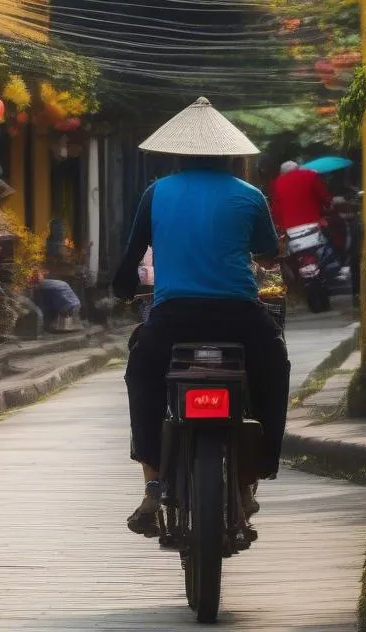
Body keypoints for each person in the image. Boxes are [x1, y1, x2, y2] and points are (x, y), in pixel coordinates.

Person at [113, 97, 290, 537]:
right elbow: (267, 254)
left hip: (174, 317)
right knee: (273, 368)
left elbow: (132, 254)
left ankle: (153, 483)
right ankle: (255, 474)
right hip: (239, 317)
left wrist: (120, 290)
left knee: (142, 376)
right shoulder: (250, 196)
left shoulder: (158, 192)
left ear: (178, 152)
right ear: (230, 153)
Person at [268, 160, 333, 233]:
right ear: (298, 168)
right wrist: (328, 207)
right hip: (314, 224)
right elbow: (324, 197)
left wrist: (282, 227)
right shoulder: (311, 174)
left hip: (291, 230)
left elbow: (276, 210)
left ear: (282, 173)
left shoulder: (276, 183)